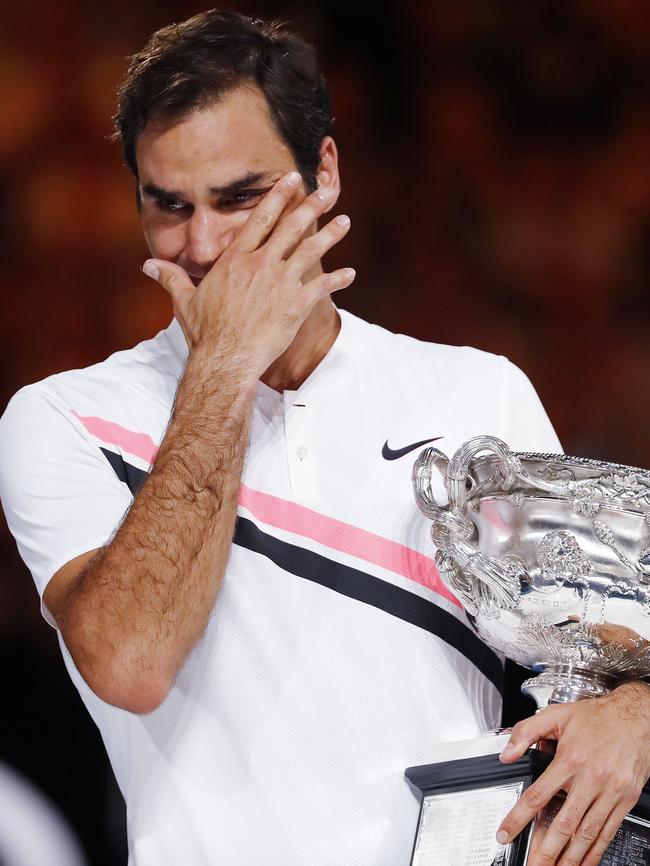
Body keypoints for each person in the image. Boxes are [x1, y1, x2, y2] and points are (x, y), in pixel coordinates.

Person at [0, 10, 648, 866]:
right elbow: (130, 663)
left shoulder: (474, 392)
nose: (203, 247)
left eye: (240, 199)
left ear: (324, 175)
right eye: (169, 208)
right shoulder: (64, 419)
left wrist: (637, 713)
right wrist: (225, 367)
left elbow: (592, 649)